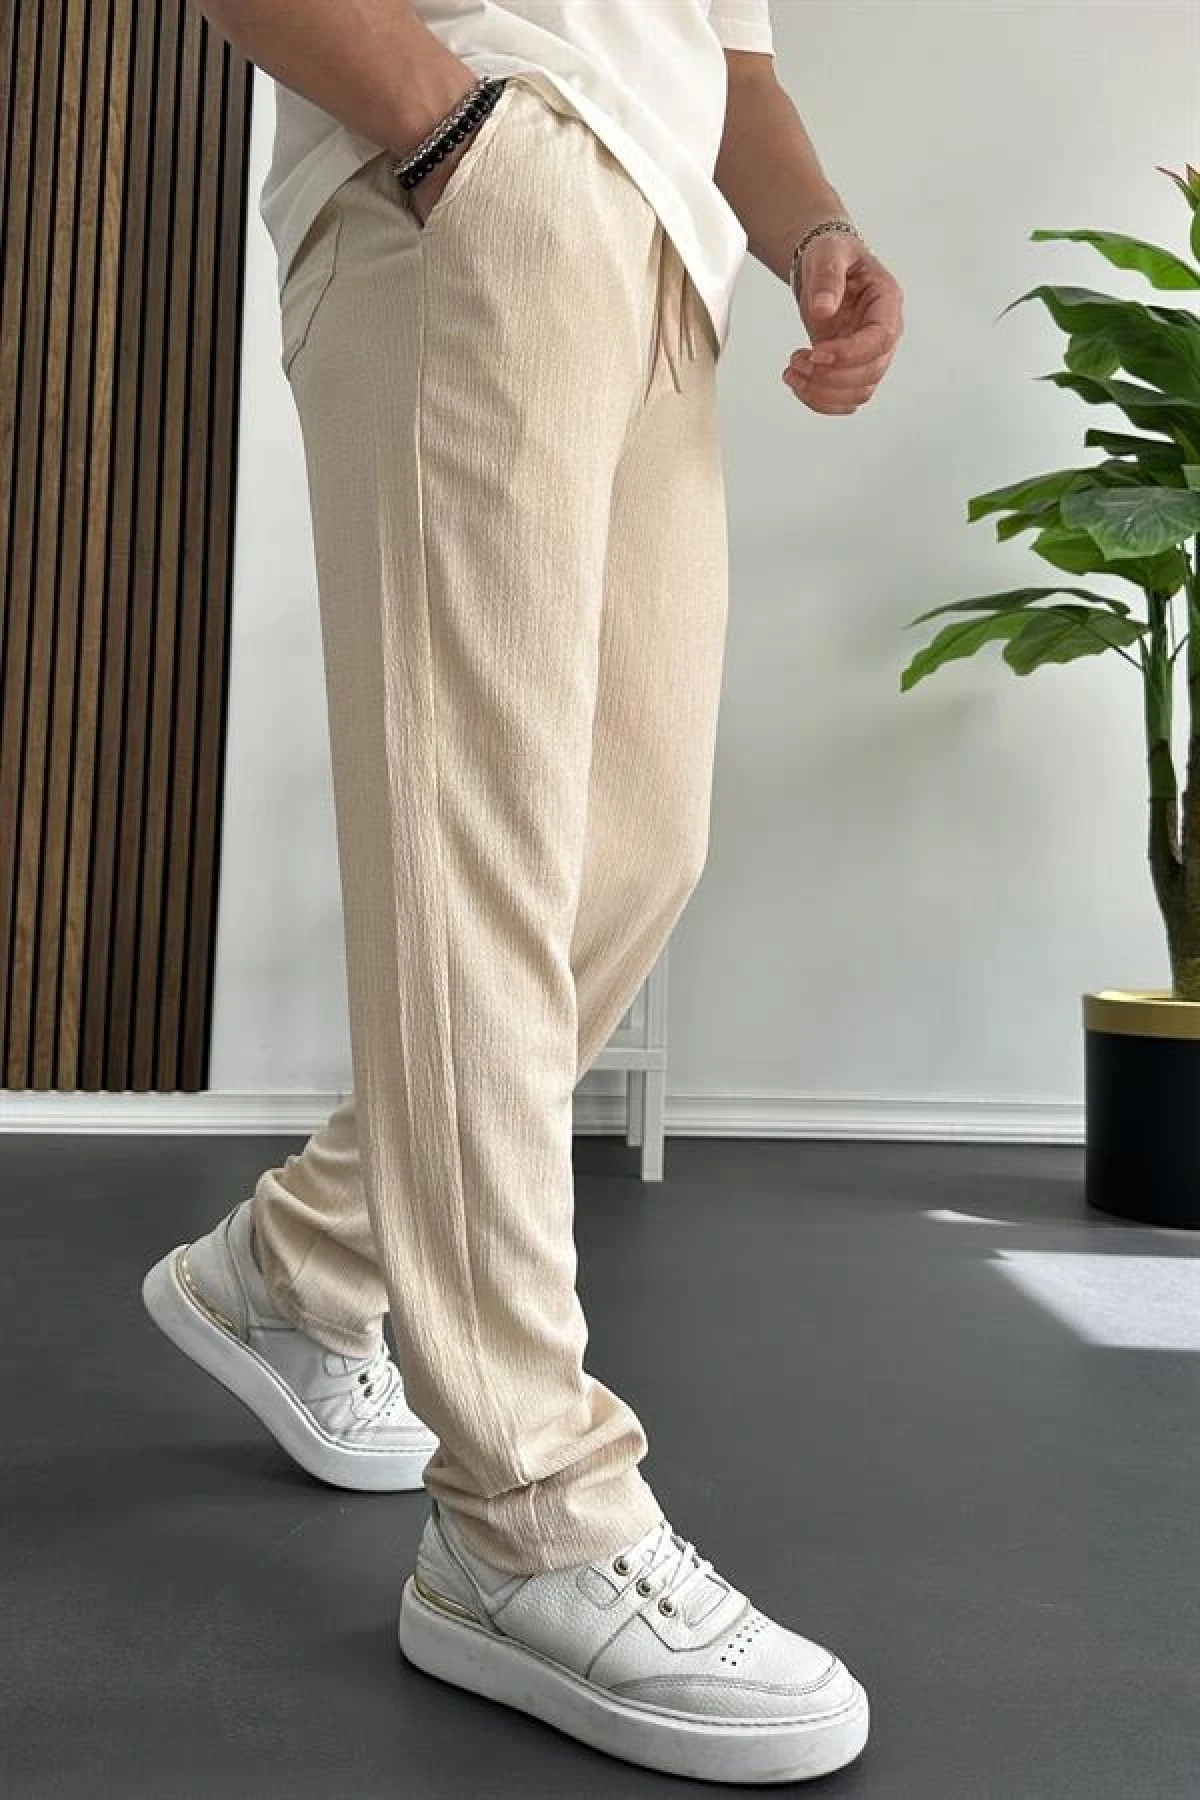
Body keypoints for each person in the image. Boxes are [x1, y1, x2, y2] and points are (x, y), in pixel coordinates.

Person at [143, 0, 904, 1783]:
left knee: (631, 850)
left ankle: (301, 1264)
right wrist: (446, 128)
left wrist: (811, 228)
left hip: (661, 251)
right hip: (476, 181)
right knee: (470, 855)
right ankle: (526, 1516)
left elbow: (730, 52)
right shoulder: (467, 153)